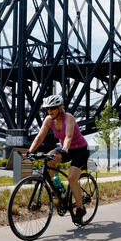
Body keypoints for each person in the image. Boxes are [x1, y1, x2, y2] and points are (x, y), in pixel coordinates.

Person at [26, 95, 89, 224]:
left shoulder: (69, 118)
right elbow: (39, 137)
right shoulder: (49, 120)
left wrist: (65, 148)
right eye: (48, 109)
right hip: (65, 149)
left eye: (53, 108)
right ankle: (59, 188)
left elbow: (69, 136)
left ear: (60, 108)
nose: (50, 111)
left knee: (72, 178)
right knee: (48, 159)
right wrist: (29, 152)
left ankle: (80, 208)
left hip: (80, 150)